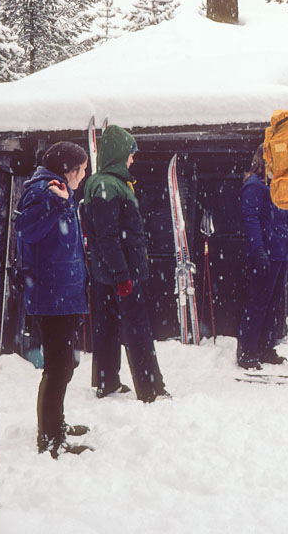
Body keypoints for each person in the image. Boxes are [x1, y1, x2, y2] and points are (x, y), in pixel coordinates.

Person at [15, 141, 92, 458]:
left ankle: (55, 424)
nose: (85, 175)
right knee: (59, 367)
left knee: (63, 364)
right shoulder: (44, 192)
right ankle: (49, 437)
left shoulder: (57, 191)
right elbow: (26, 229)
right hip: (52, 294)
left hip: (61, 292)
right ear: (68, 170)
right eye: (82, 169)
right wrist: (55, 204)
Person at [82, 124, 169, 403]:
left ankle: (106, 382)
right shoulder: (109, 186)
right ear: (119, 154)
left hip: (105, 273)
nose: (133, 159)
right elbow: (109, 237)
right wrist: (123, 276)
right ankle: (151, 388)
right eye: (130, 154)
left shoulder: (99, 183)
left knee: (106, 325)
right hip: (122, 273)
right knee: (137, 329)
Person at [237, 144, 288, 370]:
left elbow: (287, 221)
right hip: (264, 254)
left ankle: (266, 347)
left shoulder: (280, 186)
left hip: (279, 252)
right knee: (258, 303)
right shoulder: (254, 186)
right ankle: (247, 351)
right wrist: (258, 249)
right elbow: (251, 220)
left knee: (273, 303)